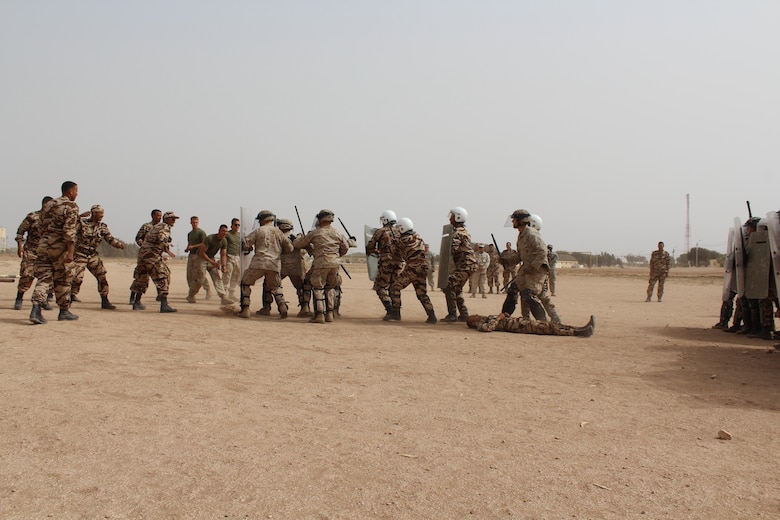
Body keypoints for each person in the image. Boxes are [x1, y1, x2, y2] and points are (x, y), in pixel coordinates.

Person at [29, 181, 80, 324]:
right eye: (76, 191)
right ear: (70, 192)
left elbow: (40, 225)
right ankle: (64, 310)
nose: (77, 194)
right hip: (59, 248)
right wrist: (70, 252)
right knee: (64, 277)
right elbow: (69, 231)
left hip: (44, 245)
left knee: (44, 278)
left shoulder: (49, 204)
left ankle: (36, 309)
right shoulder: (71, 206)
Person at [293, 209, 350, 323]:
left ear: (320, 219)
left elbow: (298, 244)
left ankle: (319, 314)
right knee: (330, 288)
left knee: (318, 287)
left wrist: (296, 239)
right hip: (335, 264)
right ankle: (329, 314)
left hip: (321, 263)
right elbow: (345, 247)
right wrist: (336, 256)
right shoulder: (338, 233)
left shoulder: (315, 233)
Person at [237, 210, 294, 319]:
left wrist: (248, 247)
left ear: (263, 220)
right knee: (276, 287)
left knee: (245, 283)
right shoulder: (279, 233)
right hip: (274, 264)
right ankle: (282, 306)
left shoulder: (258, 231)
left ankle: (245, 309)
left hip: (258, 263)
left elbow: (245, 243)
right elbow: (290, 248)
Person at [70, 205, 125, 309]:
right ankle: (70, 296)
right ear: (94, 213)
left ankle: (105, 300)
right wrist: (79, 216)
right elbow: (69, 224)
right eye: (100, 213)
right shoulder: (82, 223)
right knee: (77, 278)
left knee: (102, 276)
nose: (102, 215)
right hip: (80, 255)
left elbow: (109, 238)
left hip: (92, 255)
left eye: (103, 213)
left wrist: (118, 245)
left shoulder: (102, 227)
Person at [500, 209, 549, 322]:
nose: (512, 221)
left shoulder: (531, 234)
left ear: (521, 221)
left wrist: (533, 267)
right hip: (526, 268)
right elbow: (519, 256)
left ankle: (543, 322)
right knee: (513, 289)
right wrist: (506, 261)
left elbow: (542, 252)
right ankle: (504, 316)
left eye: (514, 219)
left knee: (529, 294)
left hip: (537, 270)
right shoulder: (521, 236)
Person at [387, 218, 437, 324]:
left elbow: (394, 251)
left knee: (394, 287)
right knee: (421, 293)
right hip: (422, 268)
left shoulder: (403, 240)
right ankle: (432, 316)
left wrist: (393, 242)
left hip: (413, 268)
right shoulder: (418, 237)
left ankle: (396, 314)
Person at [129, 212, 179, 313]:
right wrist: (167, 250)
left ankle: (137, 302)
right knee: (163, 275)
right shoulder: (165, 227)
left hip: (142, 255)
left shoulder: (156, 226)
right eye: (172, 218)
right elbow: (161, 238)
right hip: (151, 255)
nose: (174, 221)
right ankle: (164, 304)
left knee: (142, 277)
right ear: (166, 219)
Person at [13, 196, 53, 310]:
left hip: (46, 253)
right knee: (27, 275)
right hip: (31, 251)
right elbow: (20, 232)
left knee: (46, 278)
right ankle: (19, 298)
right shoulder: (32, 216)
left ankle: (42, 300)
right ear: (44, 204)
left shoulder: (54, 220)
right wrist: (19, 247)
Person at [442, 207, 477, 322]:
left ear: (457, 217)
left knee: (448, 285)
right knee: (457, 288)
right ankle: (464, 314)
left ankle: (452, 314)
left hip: (466, 264)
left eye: (451, 216)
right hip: (468, 264)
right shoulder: (463, 230)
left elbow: (453, 249)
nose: (450, 219)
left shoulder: (457, 233)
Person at [366, 210, 403, 319]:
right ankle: (397, 313)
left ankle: (389, 309)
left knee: (380, 287)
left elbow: (370, 247)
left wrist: (377, 251)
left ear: (384, 220)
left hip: (386, 263)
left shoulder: (381, 231)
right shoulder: (401, 230)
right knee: (394, 287)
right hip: (400, 263)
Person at [467, 313, 595, 337]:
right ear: (473, 322)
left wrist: (504, 315)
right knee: (550, 329)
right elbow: (488, 328)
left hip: (521, 321)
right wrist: (499, 318)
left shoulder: (485, 318)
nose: (476, 314)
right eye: (473, 316)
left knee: (553, 324)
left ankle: (580, 328)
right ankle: (578, 332)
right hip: (521, 327)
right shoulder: (481, 324)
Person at [130, 209, 162, 305]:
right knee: (141, 277)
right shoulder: (146, 227)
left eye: (160, 216)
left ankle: (161, 296)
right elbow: (138, 238)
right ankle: (133, 297)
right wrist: (145, 246)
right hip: (144, 256)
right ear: (152, 216)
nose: (159, 218)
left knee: (160, 275)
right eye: (157, 215)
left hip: (156, 255)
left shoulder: (161, 228)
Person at [199, 224, 234, 305]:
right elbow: (202, 252)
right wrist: (212, 262)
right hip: (201, 258)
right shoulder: (210, 238)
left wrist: (223, 266)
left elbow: (223, 254)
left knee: (217, 277)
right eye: (223, 231)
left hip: (211, 258)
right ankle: (192, 294)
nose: (224, 233)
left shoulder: (224, 241)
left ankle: (223, 297)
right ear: (219, 231)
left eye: (226, 231)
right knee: (200, 278)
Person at [185, 216, 209, 303]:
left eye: (196, 222)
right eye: (193, 222)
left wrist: (193, 246)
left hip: (198, 255)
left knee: (199, 274)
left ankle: (207, 288)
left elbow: (204, 243)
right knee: (190, 275)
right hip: (191, 255)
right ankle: (191, 292)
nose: (195, 224)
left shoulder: (201, 232)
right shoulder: (190, 233)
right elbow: (189, 243)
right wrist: (188, 248)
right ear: (190, 222)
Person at [223, 218, 242, 302]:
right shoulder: (227, 234)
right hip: (229, 257)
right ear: (231, 225)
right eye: (235, 225)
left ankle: (231, 294)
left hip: (237, 257)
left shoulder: (240, 235)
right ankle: (224, 295)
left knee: (236, 275)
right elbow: (223, 246)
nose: (237, 226)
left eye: (238, 225)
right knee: (227, 276)